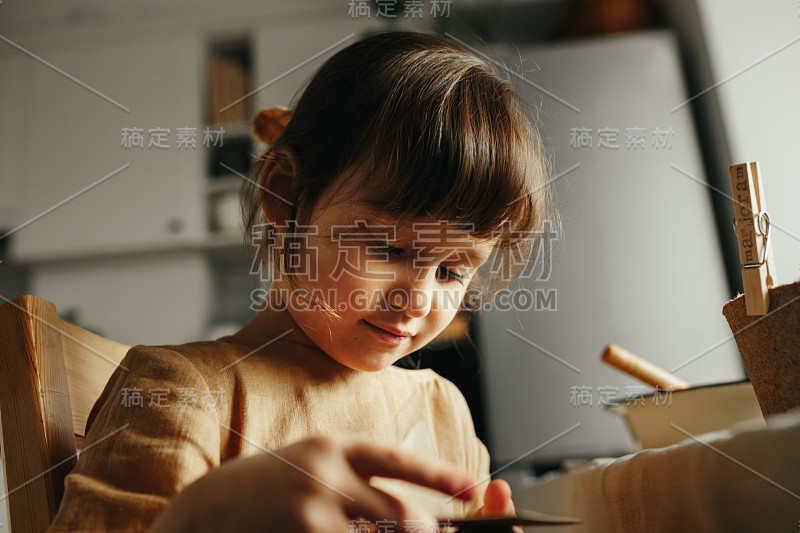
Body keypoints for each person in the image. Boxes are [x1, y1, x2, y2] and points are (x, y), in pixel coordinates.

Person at [49, 31, 556, 532]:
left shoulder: (445, 411)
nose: (417, 300)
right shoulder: (179, 391)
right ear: (286, 195)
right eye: (390, 249)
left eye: (451, 270)